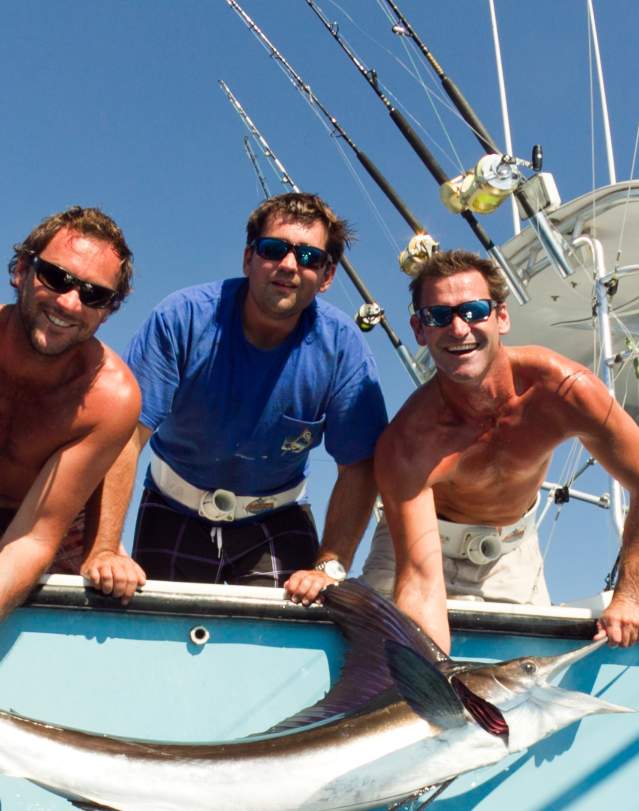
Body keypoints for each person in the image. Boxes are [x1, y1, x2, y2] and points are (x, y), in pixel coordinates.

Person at [87, 192, 387, 604]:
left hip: (278, 516)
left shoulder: (344, 348)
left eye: (308, 257)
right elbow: (123, 436)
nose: (288, 265)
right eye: (273, 249)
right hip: (172, 507)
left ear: (328, 275)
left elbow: (359, 465)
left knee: (290, 650)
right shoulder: (181, 318)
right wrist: (105, 546)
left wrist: (329, 564)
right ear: (249, 258)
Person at [361, 249, 639, 652]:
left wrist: (629, 594)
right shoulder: (407, 444)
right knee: (386, 665)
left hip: (511, 553)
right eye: (438, 316)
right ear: (420, 331)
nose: (458, 329)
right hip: (416, 551)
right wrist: (432, 683)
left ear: (502, 317)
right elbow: (421, 584)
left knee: (527, 686)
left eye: (474, 310)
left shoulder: (564, 391)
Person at [0, 206, 144, 620]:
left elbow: (33, 538)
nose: (69, 303)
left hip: (49, 522)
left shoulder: (111, 397)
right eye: (56, 277)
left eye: (93, 295)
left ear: (109, 309)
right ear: (22, 270)